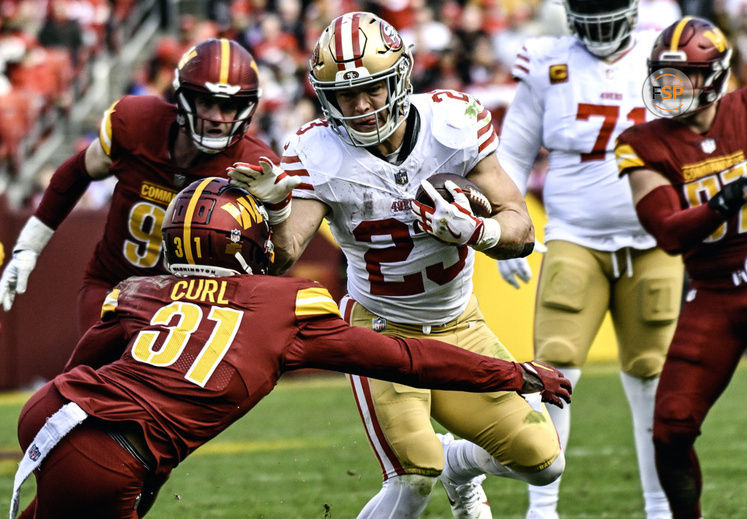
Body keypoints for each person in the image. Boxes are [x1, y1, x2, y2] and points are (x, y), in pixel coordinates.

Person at [9, 177, 572, 519]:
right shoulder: (282, 306)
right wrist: (511, 374)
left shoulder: (139, 292)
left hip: (59, 416)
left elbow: (82, 365)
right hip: (115, 454)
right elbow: (406, 358)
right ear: (245, 241)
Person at [228, 11, 566, 519]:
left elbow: (520, 228)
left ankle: (460, 466)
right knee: (412, 478)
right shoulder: (316, 150)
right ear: (326, 97)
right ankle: (441, 467)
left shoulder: (452, 124)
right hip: (381, 331)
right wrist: (275, 211)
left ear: (401, 78)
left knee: (544, 463)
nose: (361, 106)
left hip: (461, 325)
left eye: (373, 89)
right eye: (345, 95)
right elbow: (284, 254)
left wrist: (477, 232)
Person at [495, 1, 685, 518]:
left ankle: (659, 508)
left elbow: (695, 140)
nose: (599, 17)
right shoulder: (547, 63)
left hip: (654, 242)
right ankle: (543, 508)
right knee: (555, 369)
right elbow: (511, 154)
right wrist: (507, 227)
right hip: (575, 237)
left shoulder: (664, 53)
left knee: (651, 378)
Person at [0, 38, 278, 344]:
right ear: (183, 97)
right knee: (94, 381)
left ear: (248, 107)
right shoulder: (136, 123)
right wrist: (29, 246)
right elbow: (77, 171)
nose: (216, 117)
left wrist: (279, 207)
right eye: (205, 101)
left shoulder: (255, 166)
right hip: (114, 288)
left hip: (192, 305)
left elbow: (275, 254)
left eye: (229, 106)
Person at [616, 17, 742, 519]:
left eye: (686, 75)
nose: (671, 87)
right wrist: (725, 200)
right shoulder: (642, 141)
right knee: (670, 426)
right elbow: (667, 232)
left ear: (716, 74)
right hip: (715, 292)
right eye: (664, 75)